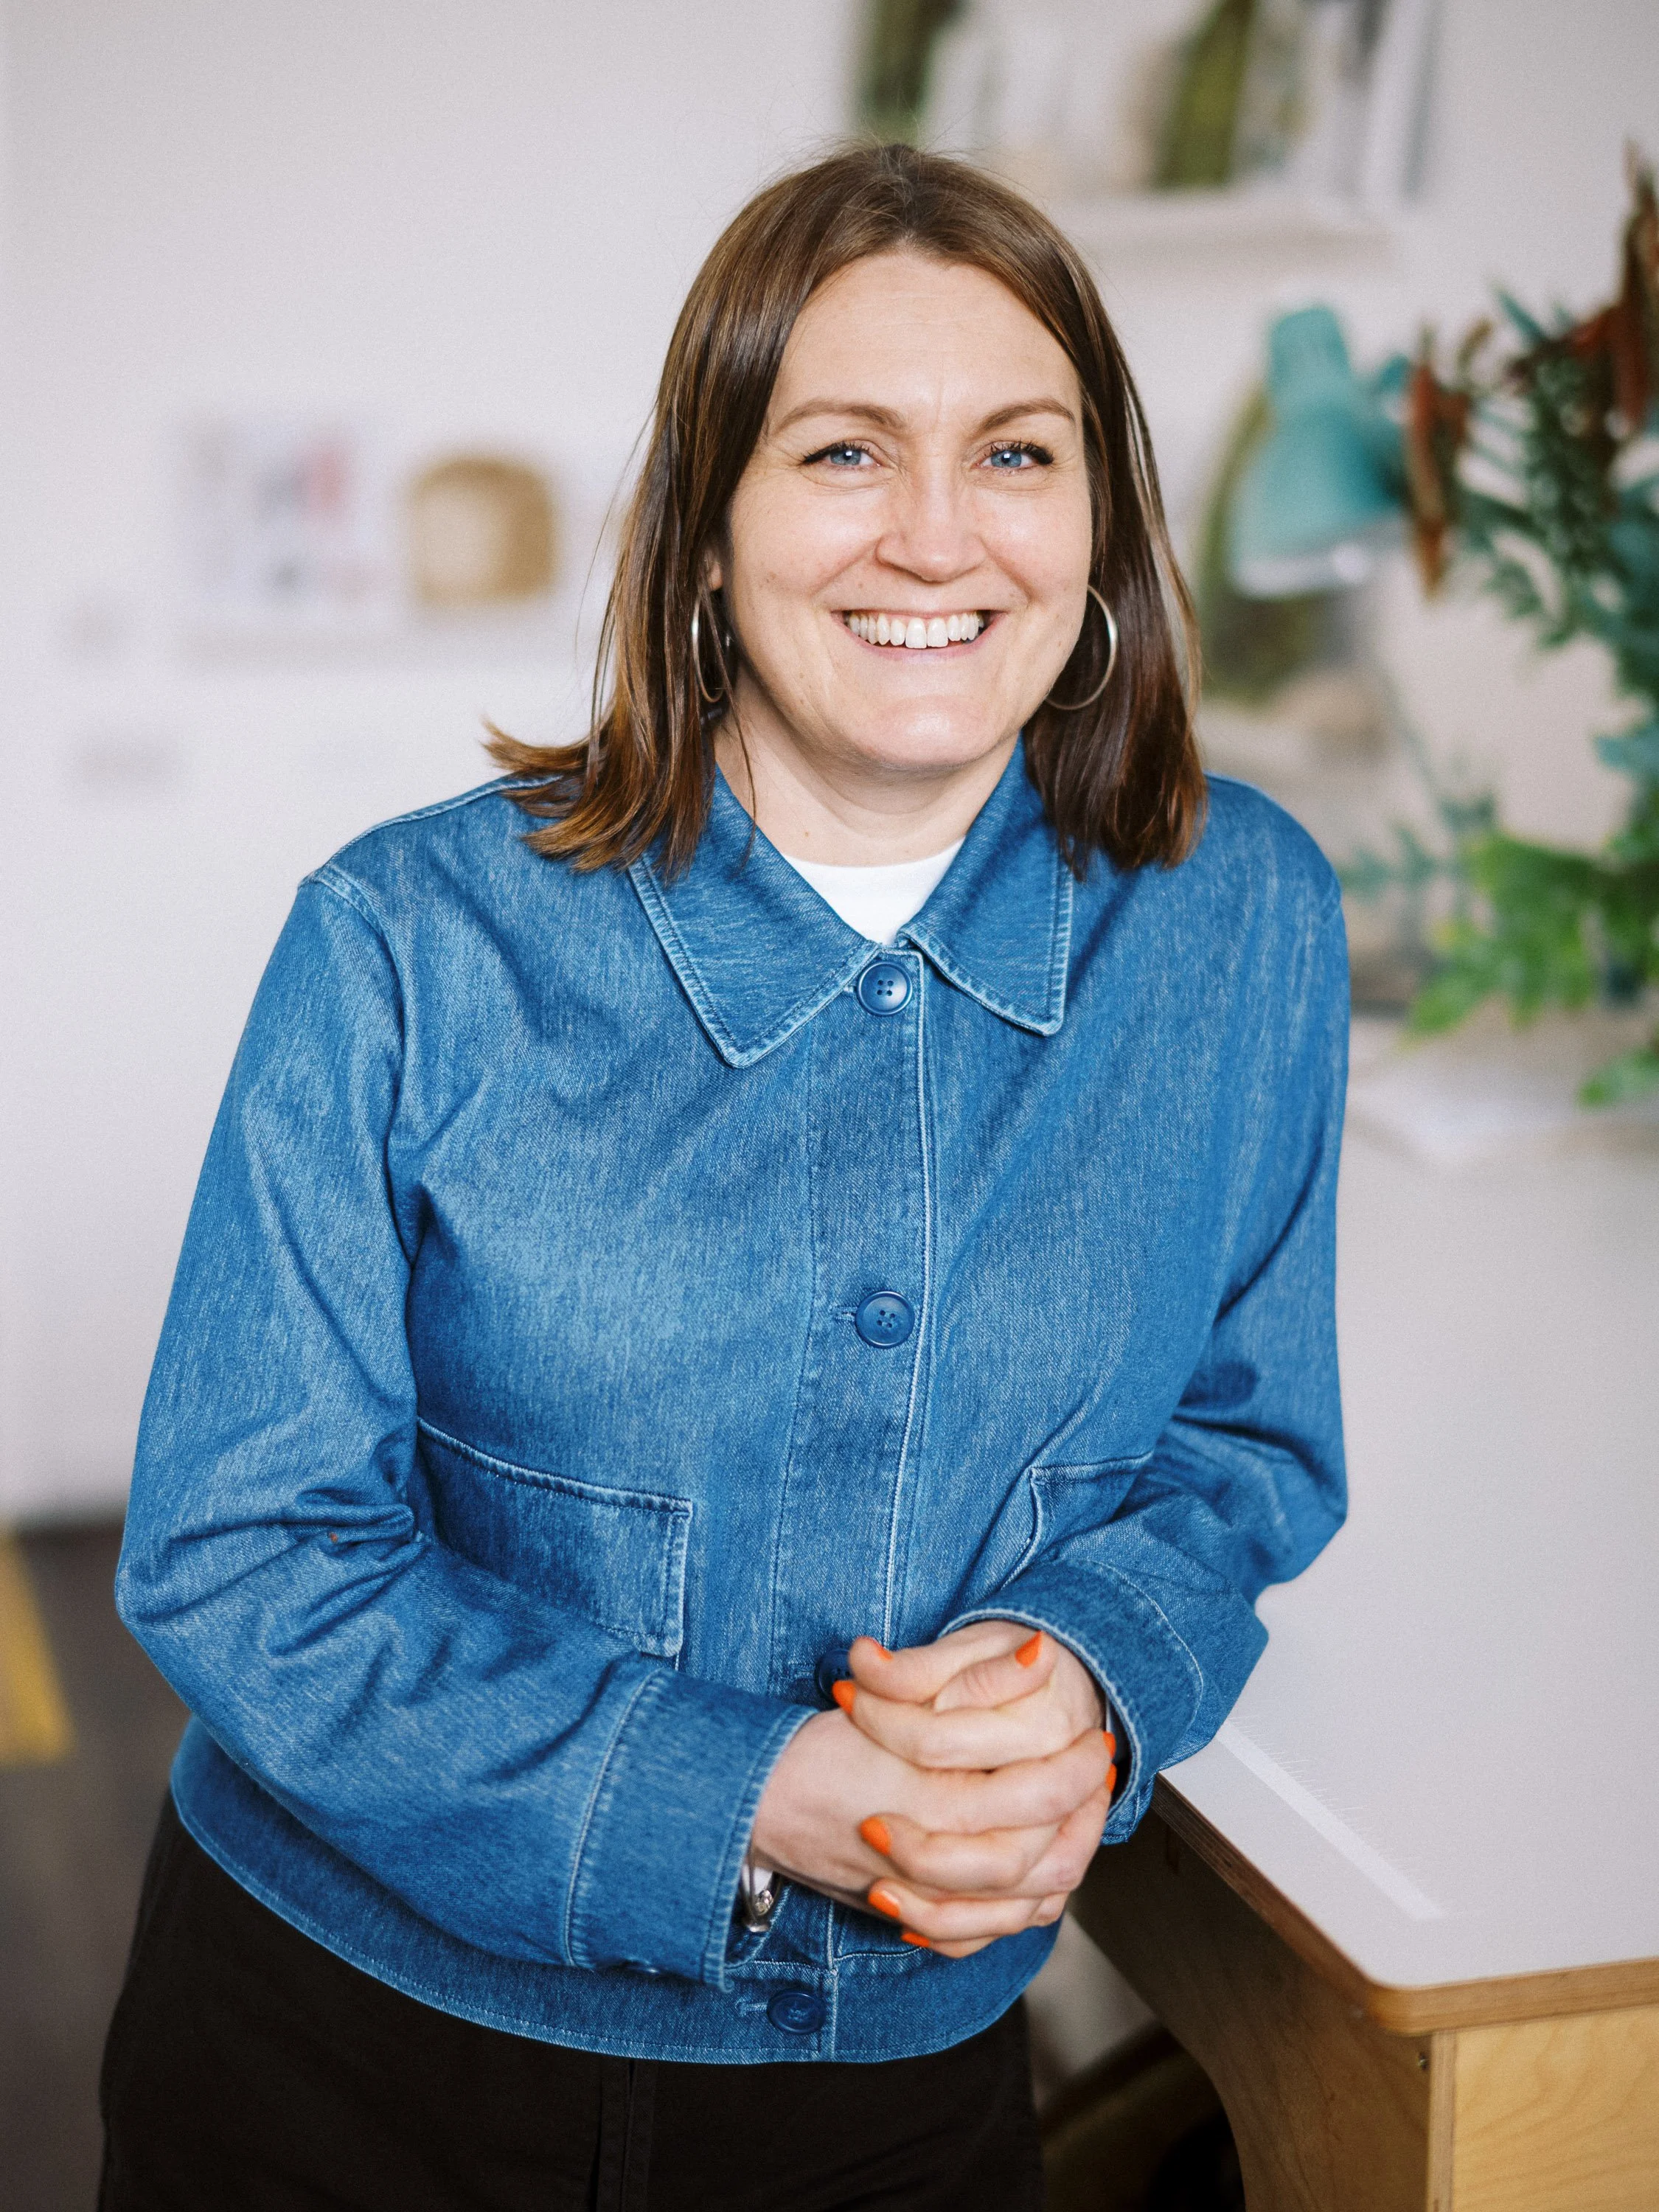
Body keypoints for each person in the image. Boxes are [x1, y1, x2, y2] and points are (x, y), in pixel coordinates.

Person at [100, 142, 1348, 2211]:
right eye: (845, 452)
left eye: (1017, 454)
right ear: (704, 531)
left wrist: (1085, 1678)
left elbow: (1241, 1441)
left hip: (896, 2084)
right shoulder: (406, 944)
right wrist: (757, 1790)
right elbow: (243, 1553)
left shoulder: (1243, 922)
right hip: (352, 2060)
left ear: (1103, 528)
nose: (938, 533)